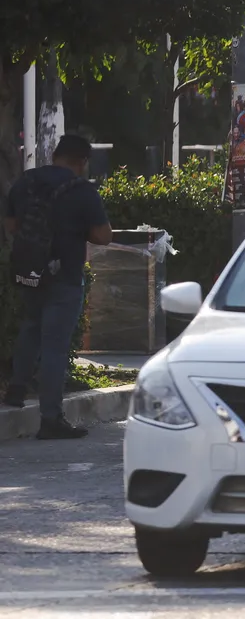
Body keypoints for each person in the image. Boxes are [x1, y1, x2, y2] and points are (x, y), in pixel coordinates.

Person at [2, 135, 113, 439]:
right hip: (64, 276)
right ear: (83, 161)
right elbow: (104, 236)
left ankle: (16, 388)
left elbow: (11, 225)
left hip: (30, 270)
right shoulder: (82, 190)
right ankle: (51, 419)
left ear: (56, 154)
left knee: (31, 326)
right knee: (54, 346)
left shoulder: (26, 181)